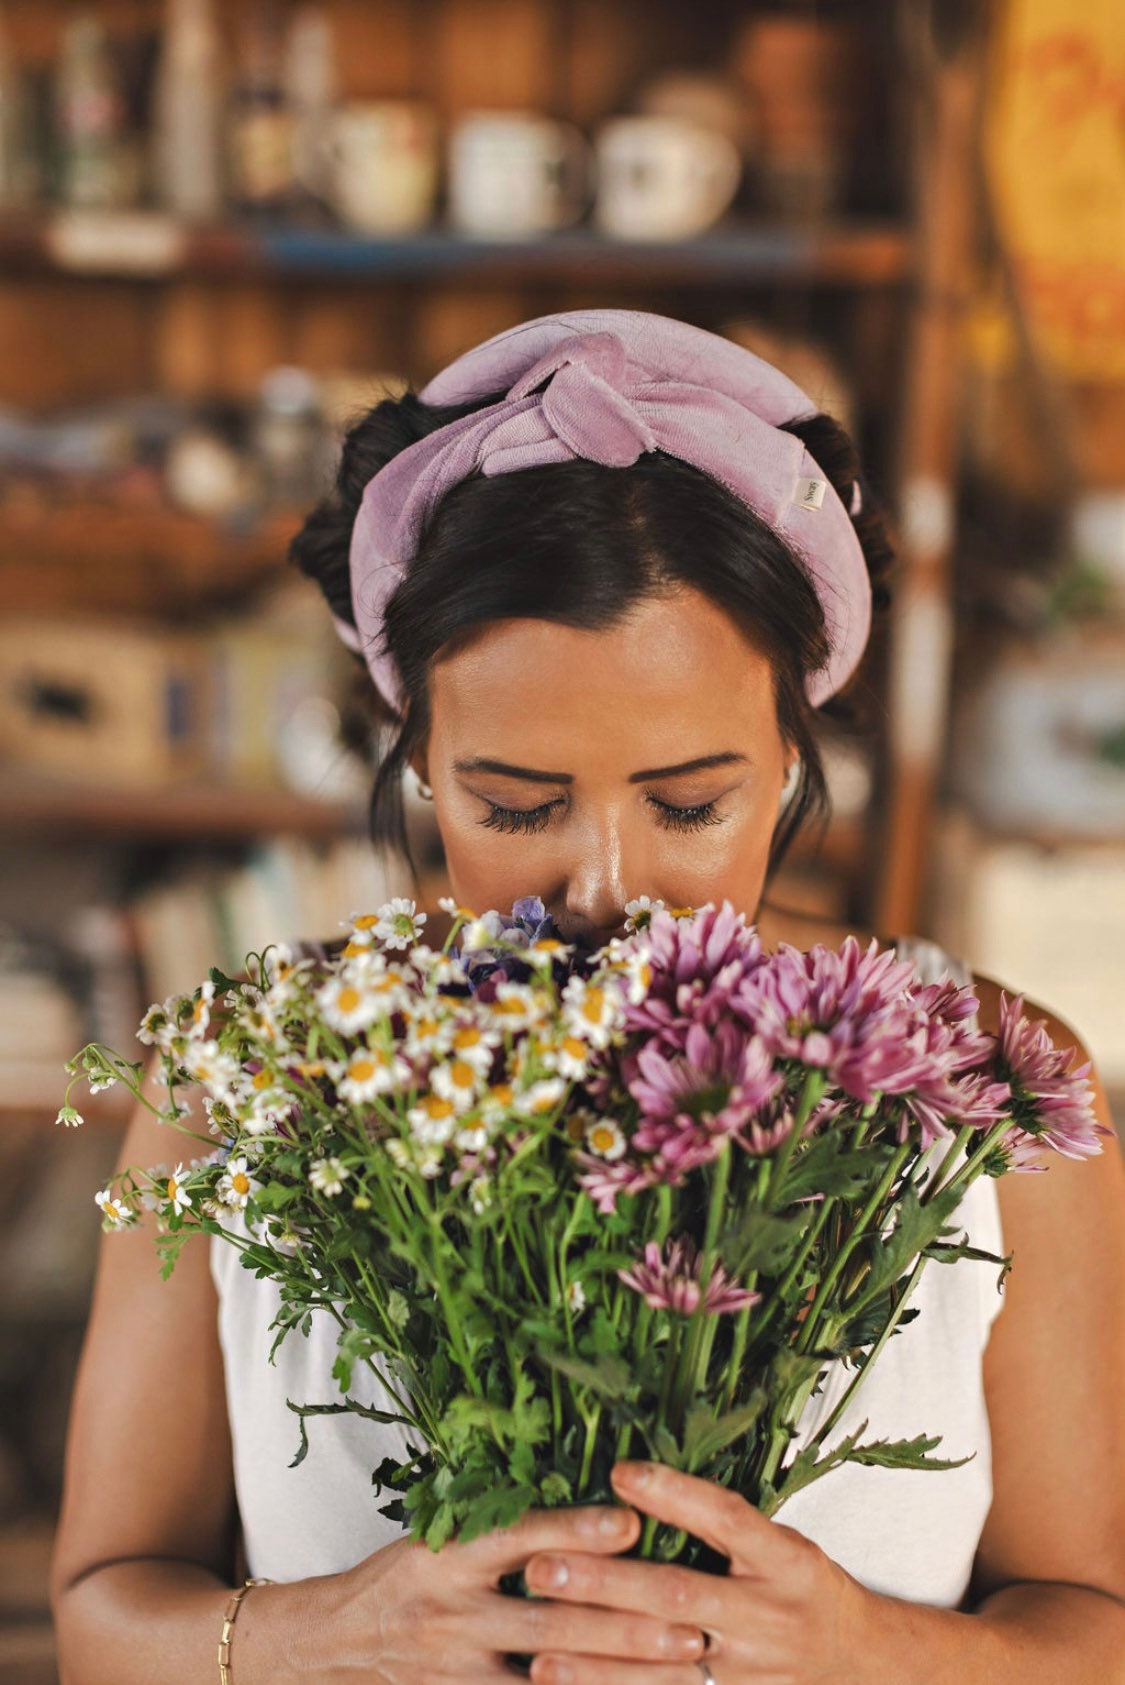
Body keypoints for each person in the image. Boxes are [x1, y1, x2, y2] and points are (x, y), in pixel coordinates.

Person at [50, 310, 1125, 1683]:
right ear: (417, 754)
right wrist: (332, 1632)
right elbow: (96, 1620)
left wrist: (866, 1648)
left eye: (689, 802)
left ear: (793, 751)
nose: (605, 887)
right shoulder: (256, 1069)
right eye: (514, 801)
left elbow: (1088, 1631)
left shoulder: (980, 1076)